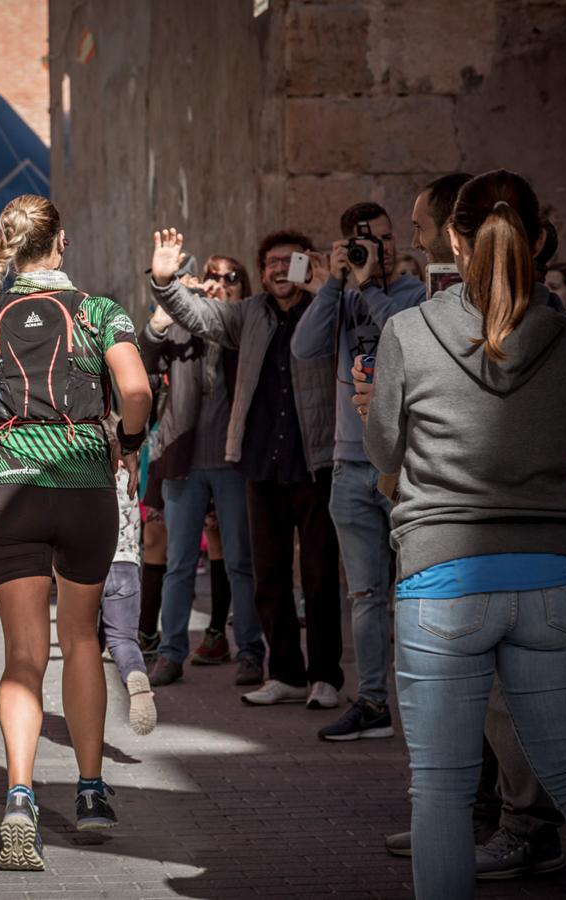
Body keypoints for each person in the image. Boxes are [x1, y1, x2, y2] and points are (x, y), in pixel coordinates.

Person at [357, 168, 566, 899]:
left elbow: (386, 454)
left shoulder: (409, 331)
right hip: (549, 574)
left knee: (442, 792)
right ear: (541, 236)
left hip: (441, 575)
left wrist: (377, 414)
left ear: (455, 240)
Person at [0, 194, 152, 870]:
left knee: (22, 656)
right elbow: (136, 391)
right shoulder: (100, 309)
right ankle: (89, 792)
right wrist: (128, 443)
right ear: (60, 244)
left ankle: (20, 796)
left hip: (11, 490)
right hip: (85, 484)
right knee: (81, 641)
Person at [151, 229, 344, 710]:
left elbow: (360, 327)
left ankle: (324, 676)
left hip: (314, 458)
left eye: (291, 261)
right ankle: (284, 673)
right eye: (272, 262)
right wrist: (164, 281)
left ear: (307, 264)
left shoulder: (326, 308)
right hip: (259, 460)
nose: (281, 269)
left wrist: (328, 288)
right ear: (261, 272)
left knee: (319, 575)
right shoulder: (248, 314)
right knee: (270, 574)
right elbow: (197, 313)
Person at [291, 195, 431, 739]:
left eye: (388, 238)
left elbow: (403, 337)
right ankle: (373, 702)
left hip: (402, 464)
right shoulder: (342, 294)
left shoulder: (414, 294)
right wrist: (333, 281)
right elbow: (304, 348)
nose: (381, 249)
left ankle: (420, 705)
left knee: (414, 590)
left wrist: (369, 286)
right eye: (367, 242)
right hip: (349, 463)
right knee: (366, 596)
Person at [139, 254, 267, 690]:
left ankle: (250, 651)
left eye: (230, 278)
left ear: (242, 285)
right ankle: (171, 653)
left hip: (233, 460)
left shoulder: (247, 324)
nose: (219, 284)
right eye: (212, 277)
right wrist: (163, 314)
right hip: (183, 459)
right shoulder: (182, 323)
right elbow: (147, 358)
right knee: (178, 563)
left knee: (239, 561)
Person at [102, 461, 156, 735]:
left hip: (91, 569)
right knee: (124, 640)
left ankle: (87, 708)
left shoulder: (82, 474)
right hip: (126, 567)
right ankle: (136, 675)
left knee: (83, 644)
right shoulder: (127, 476)